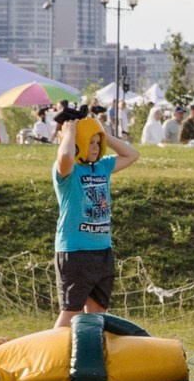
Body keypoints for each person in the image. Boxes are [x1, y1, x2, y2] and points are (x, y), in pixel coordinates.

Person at [52, 106, 142, 328]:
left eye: (97, 143)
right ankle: (50, 360)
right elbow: (64, 154)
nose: (95, 148)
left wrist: (99, 131)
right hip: (75, 251)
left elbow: (132, 154)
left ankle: (88, 359)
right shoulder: (67, 170)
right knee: (71, 312)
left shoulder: (102, 167)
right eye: (90, 143)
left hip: (102, 250)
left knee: (97, 314)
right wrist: (71, 131)